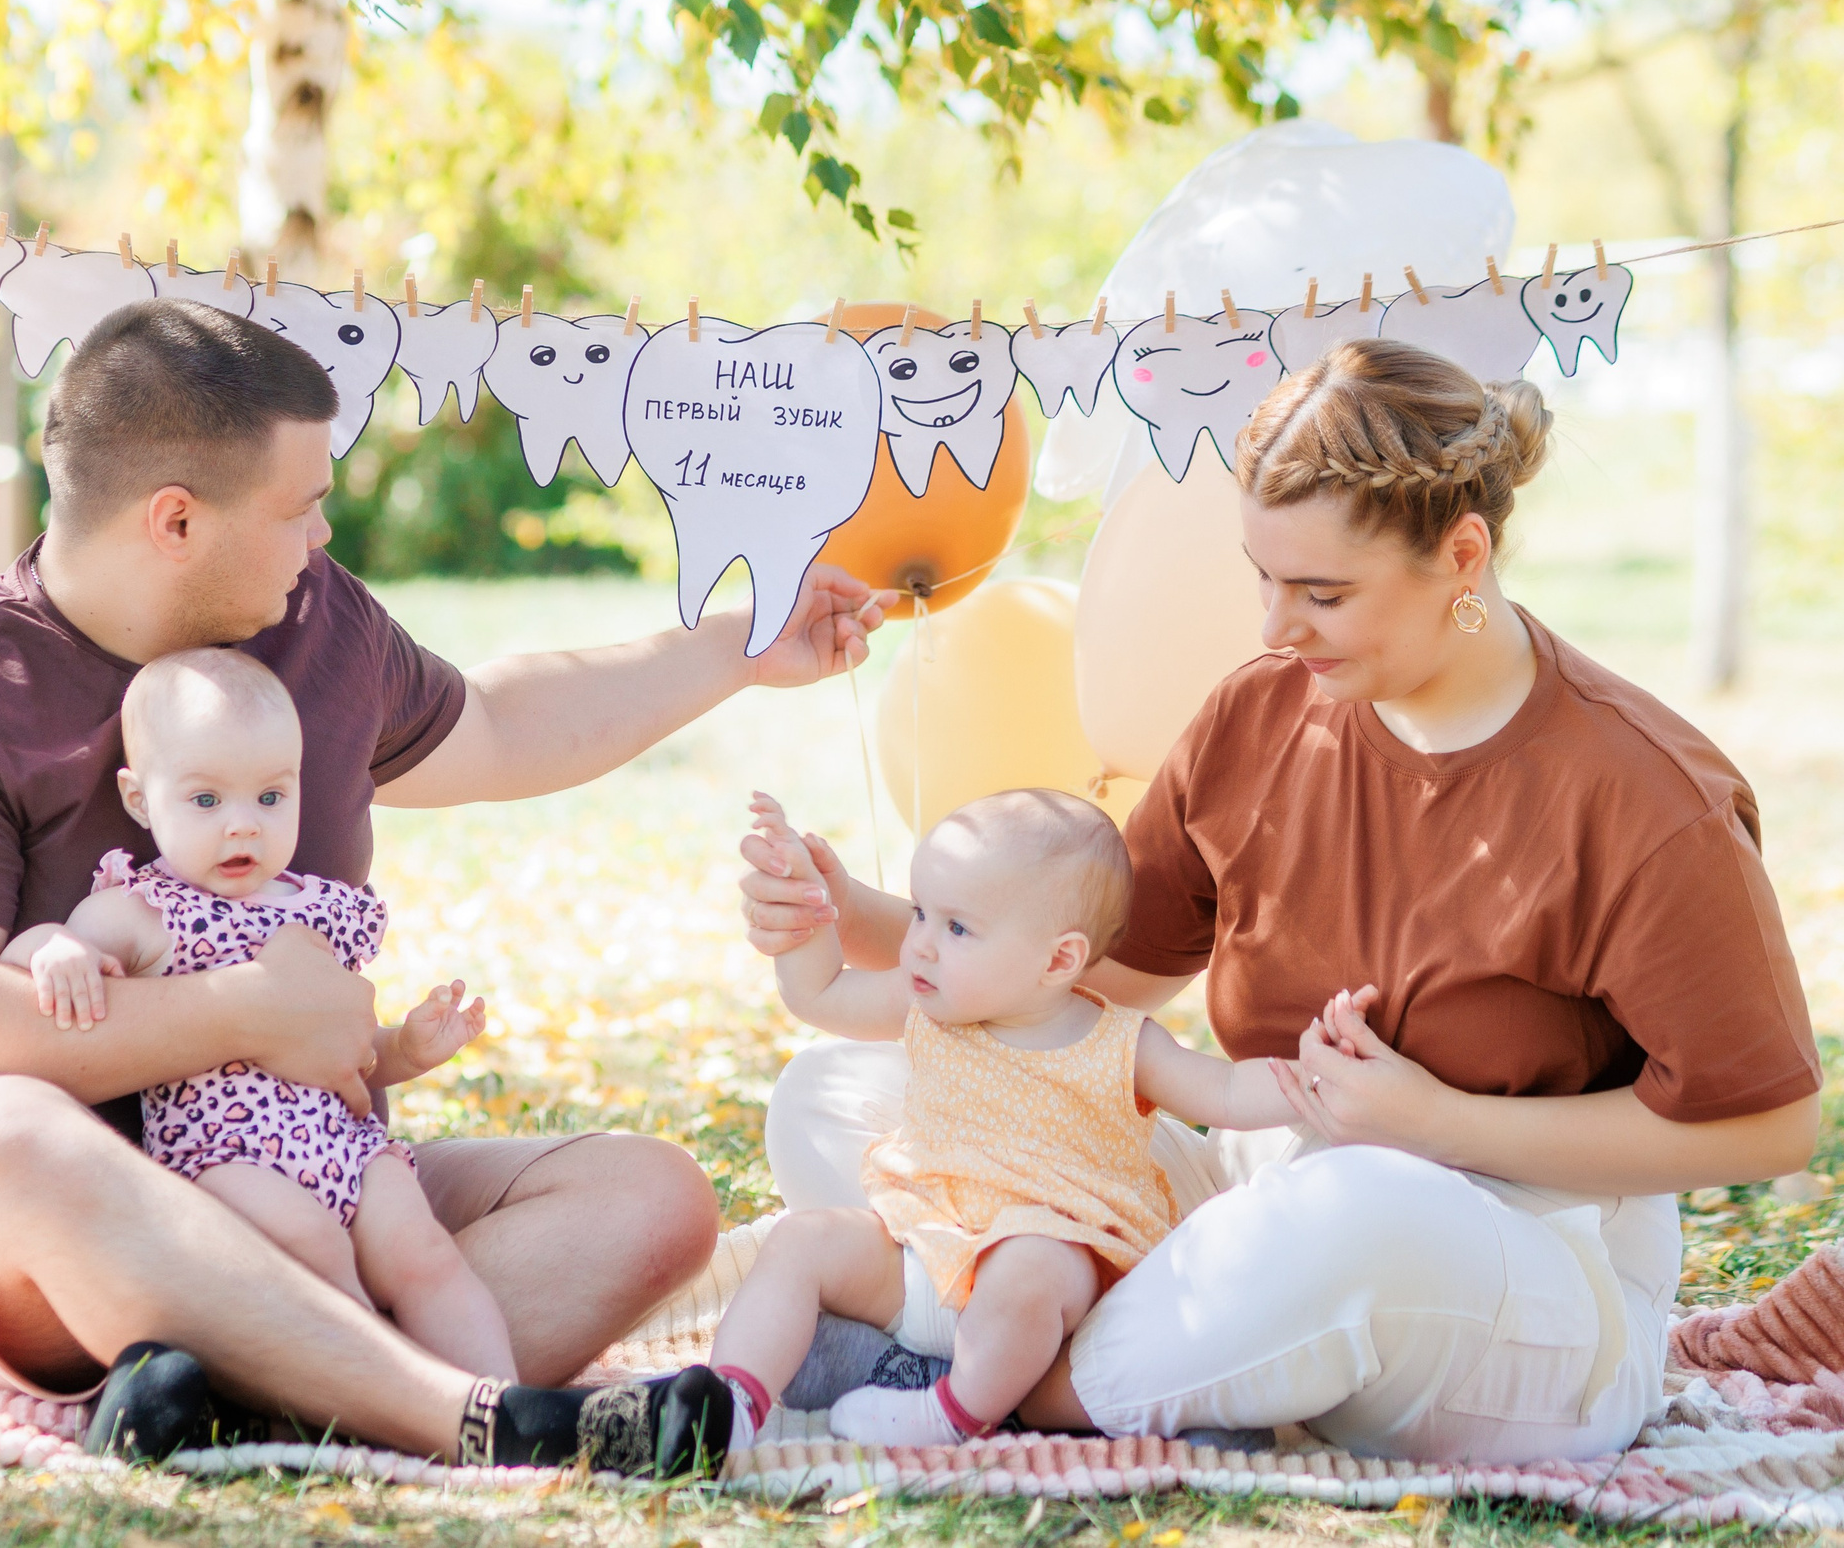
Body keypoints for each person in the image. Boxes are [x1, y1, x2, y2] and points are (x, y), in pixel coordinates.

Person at [0, 298, 882, 1472]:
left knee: (652, 1197)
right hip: (24, 1233)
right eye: (300, 506)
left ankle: (233, 1395)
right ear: (175, 520)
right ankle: (468, 1419)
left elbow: (504, 723)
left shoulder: (311, 622)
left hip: (297, 1177)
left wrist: (740, 645)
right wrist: (247, 1013)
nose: (321, 536)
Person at [739, 337, 1820, 1462]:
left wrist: (1431, 1123)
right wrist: (849, 915)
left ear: (1461, 555)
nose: (1272, 627)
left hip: (1508, 1254)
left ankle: (994, 1372)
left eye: (1321, 592)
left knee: (1356, 1215)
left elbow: (1768, 1122)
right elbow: (1087, 977)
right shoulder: (1260, 713)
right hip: (1257, 1203)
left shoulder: (1642, 797)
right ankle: (1063, 1352)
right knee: (840, 1087)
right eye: (1260, 577)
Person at [709, 790, 1298, 1451]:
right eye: (921, 913)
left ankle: (953, 1413)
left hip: (1057, 1282)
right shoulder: (928, 1003)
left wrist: (1307, 1081)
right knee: (800, 1240)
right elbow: (817, 992)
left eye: (956, 928)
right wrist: (804, 904)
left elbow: (1220, 1089)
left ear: (1057, 960)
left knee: (1032, 1263)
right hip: (927, 1249)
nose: (921, 945)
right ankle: (724, 1401)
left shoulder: (1120, 1041)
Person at [3, 647, 514, 1378]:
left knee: (425, 1254)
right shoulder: (143, 911)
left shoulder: (319, 908)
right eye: (206, 801)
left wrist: (408, 1046)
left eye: (270, 798)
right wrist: (51, 949)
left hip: (345, 1144)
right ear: (142, 799)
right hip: (224, 1157)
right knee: (318, 1254)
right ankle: (394, 1403)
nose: (243, 827)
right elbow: (23, 958)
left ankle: (505, 1408)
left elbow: (350, 1051)